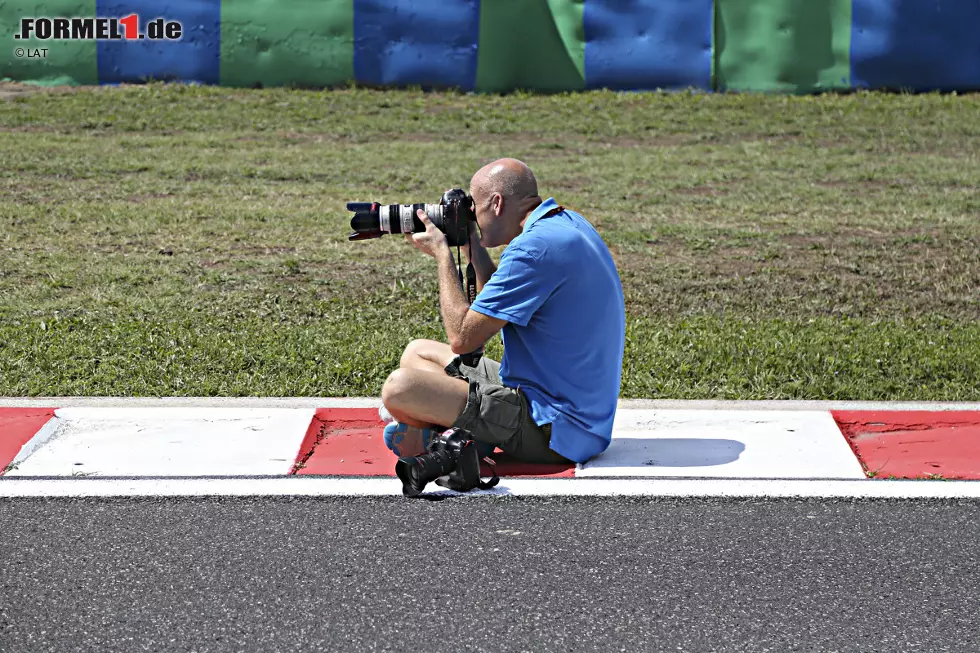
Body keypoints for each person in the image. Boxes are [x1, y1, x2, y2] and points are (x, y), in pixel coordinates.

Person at [379, 158, 625, 466]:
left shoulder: (533, 250)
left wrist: (442, 254)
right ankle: (458, 433)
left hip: (553, 428)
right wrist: (471, 246)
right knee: (419, 353)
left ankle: (461, 436)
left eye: (475, 208)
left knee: (400, 388)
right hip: (566, 407)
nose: (472, 216)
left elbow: (462, 338)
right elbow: (494, 303)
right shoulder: (565, 224)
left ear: (496, 203)